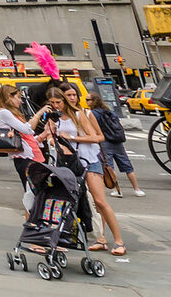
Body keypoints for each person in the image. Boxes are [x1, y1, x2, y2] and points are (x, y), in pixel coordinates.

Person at [62, 84, 127, 256]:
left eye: (74, 94)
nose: (72, 98)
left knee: (99, 202)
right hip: (72, 163)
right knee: (83, 202)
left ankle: (119, 241)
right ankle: (101, 239)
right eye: (68, 95)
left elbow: (99, 137)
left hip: (90, 160)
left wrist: (74, 138)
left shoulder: (85, 113)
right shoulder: (59, 117)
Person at [88, 92, 142, 197]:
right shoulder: (109, 111)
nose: (86, 102)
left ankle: (117, 190)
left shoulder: (93, 113)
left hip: (105, 141)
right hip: (117, 141)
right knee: (127, 165)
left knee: (109, 166)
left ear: (93, 101)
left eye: (88, 100)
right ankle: (136, 189)